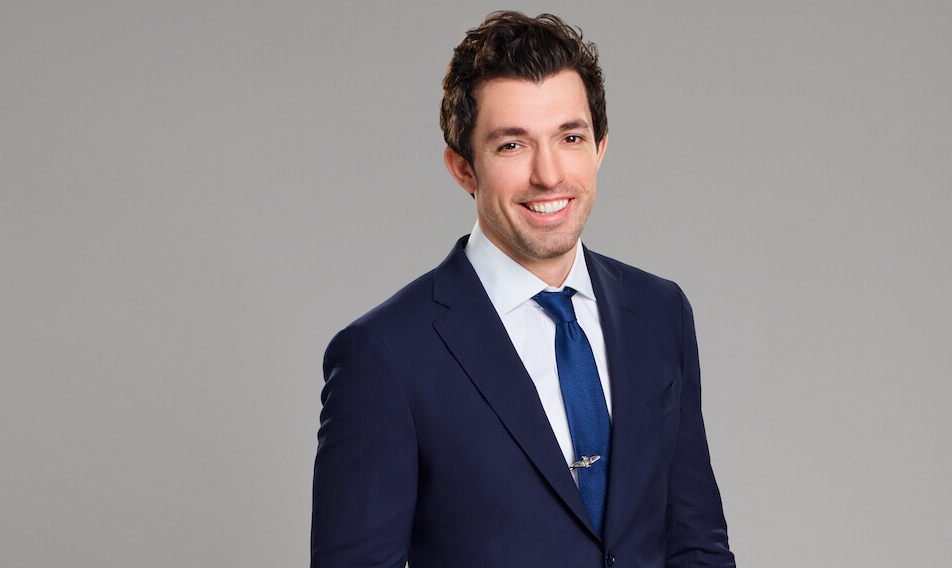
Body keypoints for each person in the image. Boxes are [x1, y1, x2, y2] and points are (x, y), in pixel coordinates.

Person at [311, 11, 735, 568]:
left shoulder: (660, 313)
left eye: (570, 137)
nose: (549, 174)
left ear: (600, 148)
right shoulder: (385, 356)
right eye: (512, 145)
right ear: (463, 168)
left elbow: (696, 545)